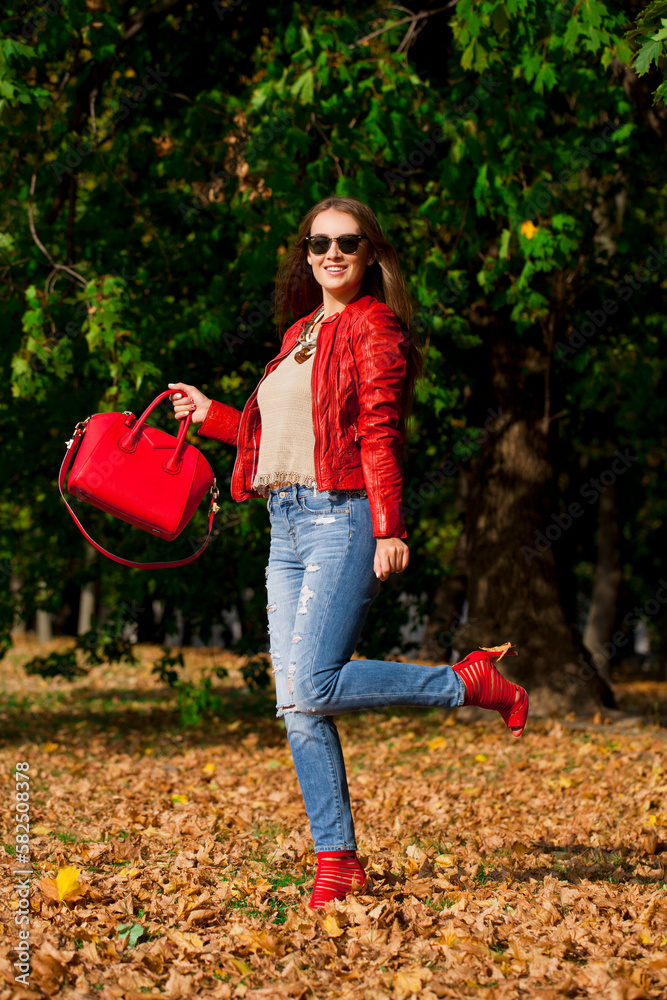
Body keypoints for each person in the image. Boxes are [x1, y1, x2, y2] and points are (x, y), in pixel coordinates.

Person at [168, 196, 529, 909]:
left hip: (344, 516)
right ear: (304, 254)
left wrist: (390, 526)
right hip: (286, 522)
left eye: (347, 242)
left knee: (313, 683)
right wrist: (211, 414)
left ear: (371, 254)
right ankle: (337, 862)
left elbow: (378, 430)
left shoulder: (374, 325)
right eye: (318, 242)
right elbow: (278, 436)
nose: (331, 253)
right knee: (297, 704)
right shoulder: (299, 333)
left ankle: (467, 683)